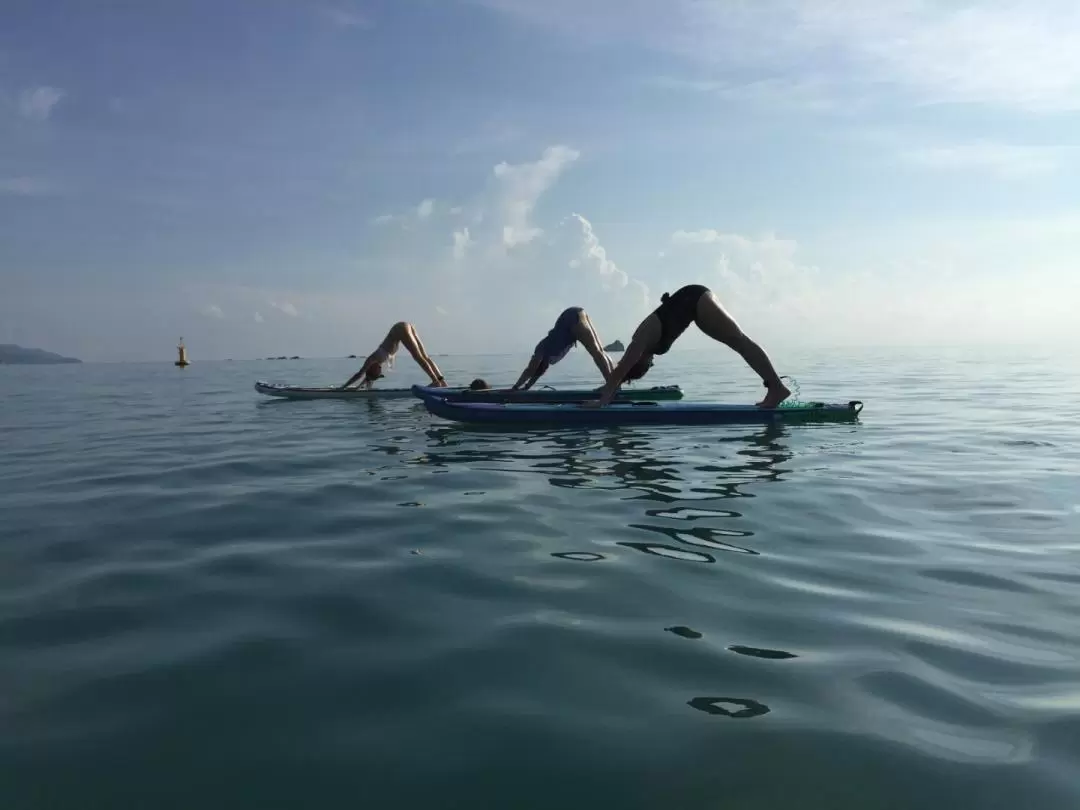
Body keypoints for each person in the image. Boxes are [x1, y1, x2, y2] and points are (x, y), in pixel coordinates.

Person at [588, 284, 790, 408]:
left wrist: (604, 399)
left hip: (694, 299)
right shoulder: (646, 347)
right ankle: (776, 388)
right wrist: (611, 386)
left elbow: (623, 368)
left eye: (646, 366)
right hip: (695, 307)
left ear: (638, 361)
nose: (651, 364)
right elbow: (623, 372)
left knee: (739, 341)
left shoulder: (639, 341)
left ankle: (777, 388)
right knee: (739, 342)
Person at [512, 307, 614, 390]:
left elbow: (530, 369)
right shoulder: (545, 360)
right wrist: (527, 387)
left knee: (596, 352)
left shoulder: (541, 349)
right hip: (578, 313)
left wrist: (515, 387)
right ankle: (614, 383)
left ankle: (611, 385)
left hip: (570, 320)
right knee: (600, 351)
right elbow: (537, 373)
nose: (545, 369)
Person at [342, 321, 448, 389]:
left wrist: (342, 387)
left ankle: (436, 382)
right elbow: (368, 379)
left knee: (418, 357)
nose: (379, 371)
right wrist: (357, 387)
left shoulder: (371, 359)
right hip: (406, 326)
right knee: (424, 357)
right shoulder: (377, 364)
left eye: (376, 373)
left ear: (371, 370)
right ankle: (441, 382)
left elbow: (359, 374)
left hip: (400, 328)